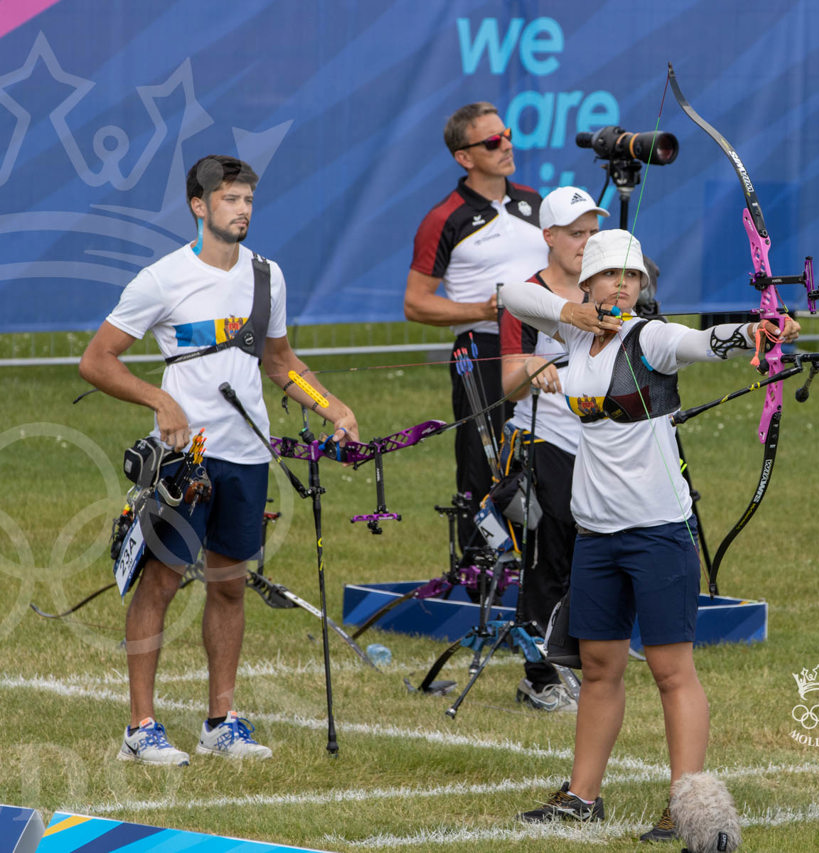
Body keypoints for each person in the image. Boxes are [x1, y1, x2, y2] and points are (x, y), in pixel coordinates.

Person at [503, 229, 800, 839]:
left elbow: (705, 340)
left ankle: (685, 803)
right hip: (597, 530)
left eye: (632, 277)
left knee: (671, 670)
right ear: (586, 284)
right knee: (599, 666)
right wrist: (570, 313)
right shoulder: (574, 335)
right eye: (609, 276)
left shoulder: (651, 338)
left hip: (657, 530)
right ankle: (582, 796)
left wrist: (758, 330)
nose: (622, 285)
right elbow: (509, 295)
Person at [79, 155, 359, 766]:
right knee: (161, 583)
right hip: (186, 462)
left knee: (230, 587)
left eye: (249, 200)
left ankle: (219, 721)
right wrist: (159, 399)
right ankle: (140, 728)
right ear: (199, 207)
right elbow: (97, 361)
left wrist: (331, 405)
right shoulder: (161, 279)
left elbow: (282, 364)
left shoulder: (267, 277)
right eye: (230, 199)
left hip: (245, 454)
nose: (242, 210)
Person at [405, 102, 546, 564]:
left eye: (505, 134)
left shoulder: (534, 202)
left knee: (548, 450)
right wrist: (482, 309)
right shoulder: (444, 216)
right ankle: (479, 570)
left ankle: (542, 563)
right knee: (483, 459)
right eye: (491, 141)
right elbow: (416, 302)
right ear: (464, 157)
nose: (506, 144)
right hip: (482, 348)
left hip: (544, 346)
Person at [500, 186, 607, 714]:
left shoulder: (610, 289)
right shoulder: (527, 294)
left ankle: (583, 657)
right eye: (575, 233)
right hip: (544, 439)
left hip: (602, 443)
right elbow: (507, 386)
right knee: (549, 555)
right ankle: (539, 675)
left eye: (592, 232)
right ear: (548, 237)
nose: (585, 243)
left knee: (598, 551)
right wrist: (530, 369)